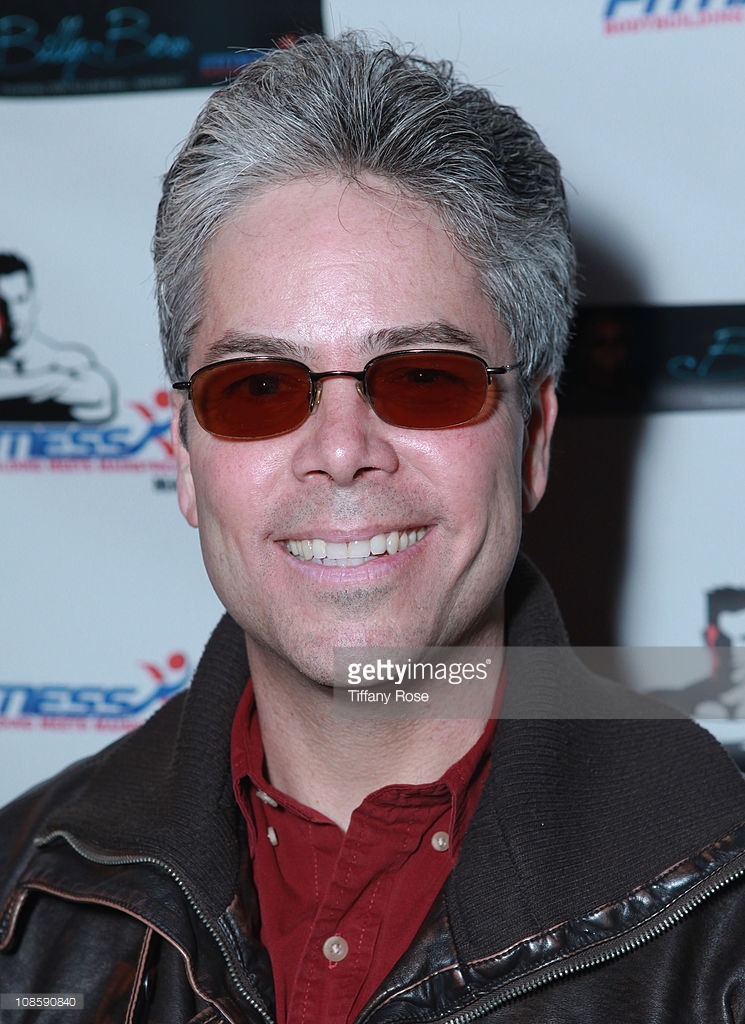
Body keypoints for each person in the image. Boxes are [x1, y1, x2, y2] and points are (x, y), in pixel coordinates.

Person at [2, 32, 745, 1023]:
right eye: (258, 386)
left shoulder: (719, 907)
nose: (342, 450)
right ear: (182, 457)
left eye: (423, 379)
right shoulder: (25, 896)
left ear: (532, 440)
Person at [0, 253, 116, 423]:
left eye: (20, 299)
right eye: (2, 303)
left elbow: (98, 396)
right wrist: (54, 380)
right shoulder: (61, 371)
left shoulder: (66, 358)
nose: (12, 313)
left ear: (34, 301)